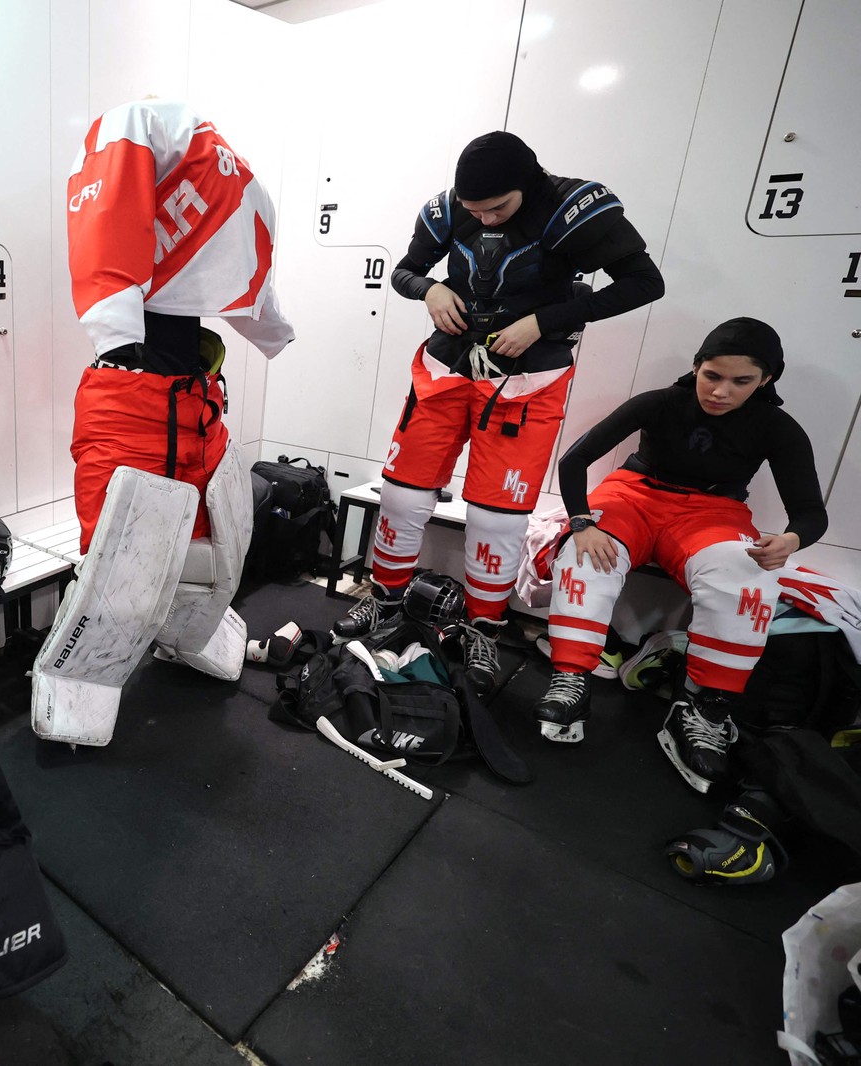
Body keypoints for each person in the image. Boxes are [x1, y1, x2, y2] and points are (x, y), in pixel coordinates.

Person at [336, 131, 665, 691]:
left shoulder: (571, 206)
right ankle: (386, 602)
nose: (485, 220)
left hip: (528, 379)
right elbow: (404, 271)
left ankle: (482, 629)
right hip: (445, 370)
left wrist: (545, 320)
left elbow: (644, 283)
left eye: (498, 208)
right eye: (474, 209)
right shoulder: (444, 210)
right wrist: (429, 289)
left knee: (496, 518)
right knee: (401, 494)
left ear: (527, 183)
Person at [31, 98, 293, 745]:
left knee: (211, 545)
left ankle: (190, 637)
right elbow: (109, 234)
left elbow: (235, 255)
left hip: (194, 401)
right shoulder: (139, 146)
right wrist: (116, 326)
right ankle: (77, 695)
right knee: (118, 567)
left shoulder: (207, 172)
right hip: (129, 404)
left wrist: (267, 323)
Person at [534, 317, 827, 793]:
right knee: (584, 557)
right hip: (634, 496)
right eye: (712, 375)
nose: (720, 392)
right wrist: (582, 523)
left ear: (767, 379)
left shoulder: (777, 427)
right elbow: (574, 461)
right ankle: (571, 678)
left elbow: (810, 513)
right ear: (697, 367)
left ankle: (707, 707)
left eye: (741, 381)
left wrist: (792, 540)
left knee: (747, 578)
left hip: (713, 512)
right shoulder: (661, 401)